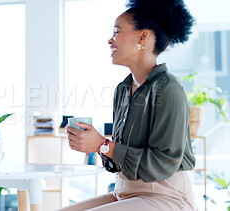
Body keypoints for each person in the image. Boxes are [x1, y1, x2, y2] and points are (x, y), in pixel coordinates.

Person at [61, 0, 197, 210]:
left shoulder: (168, 88)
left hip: (167, 196)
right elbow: (119, 158)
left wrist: (101, 145)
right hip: (124, 192)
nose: (110, 40)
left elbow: (162, 163)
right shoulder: (123, 90)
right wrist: (95, 144)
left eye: (117, 32)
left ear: (142, 37)